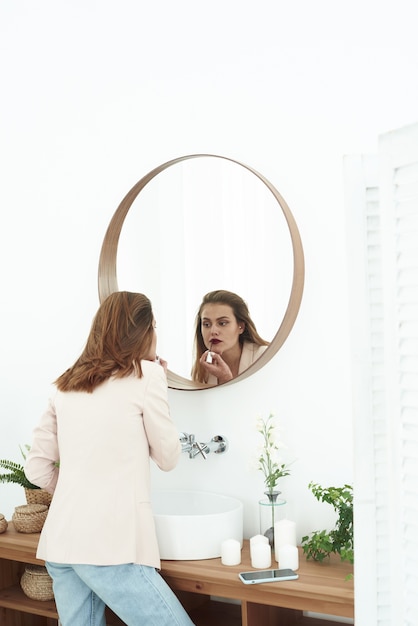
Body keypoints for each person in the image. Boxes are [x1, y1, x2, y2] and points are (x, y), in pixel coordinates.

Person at [25, 291, 194, 626]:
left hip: (61, 545)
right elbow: (169, 457)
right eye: (154, 328)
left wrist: (78, 492)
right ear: (142, 333)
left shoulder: (65, 384)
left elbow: (36, 468)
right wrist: (155, 382)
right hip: (110, 548)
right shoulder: (148, 376)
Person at [191, 290, 269, 385]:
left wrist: (225, 379)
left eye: (222, 323)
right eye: (206, 324)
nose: (213, 331)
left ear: (241, 327)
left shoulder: (263, 357)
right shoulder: (203, 369)